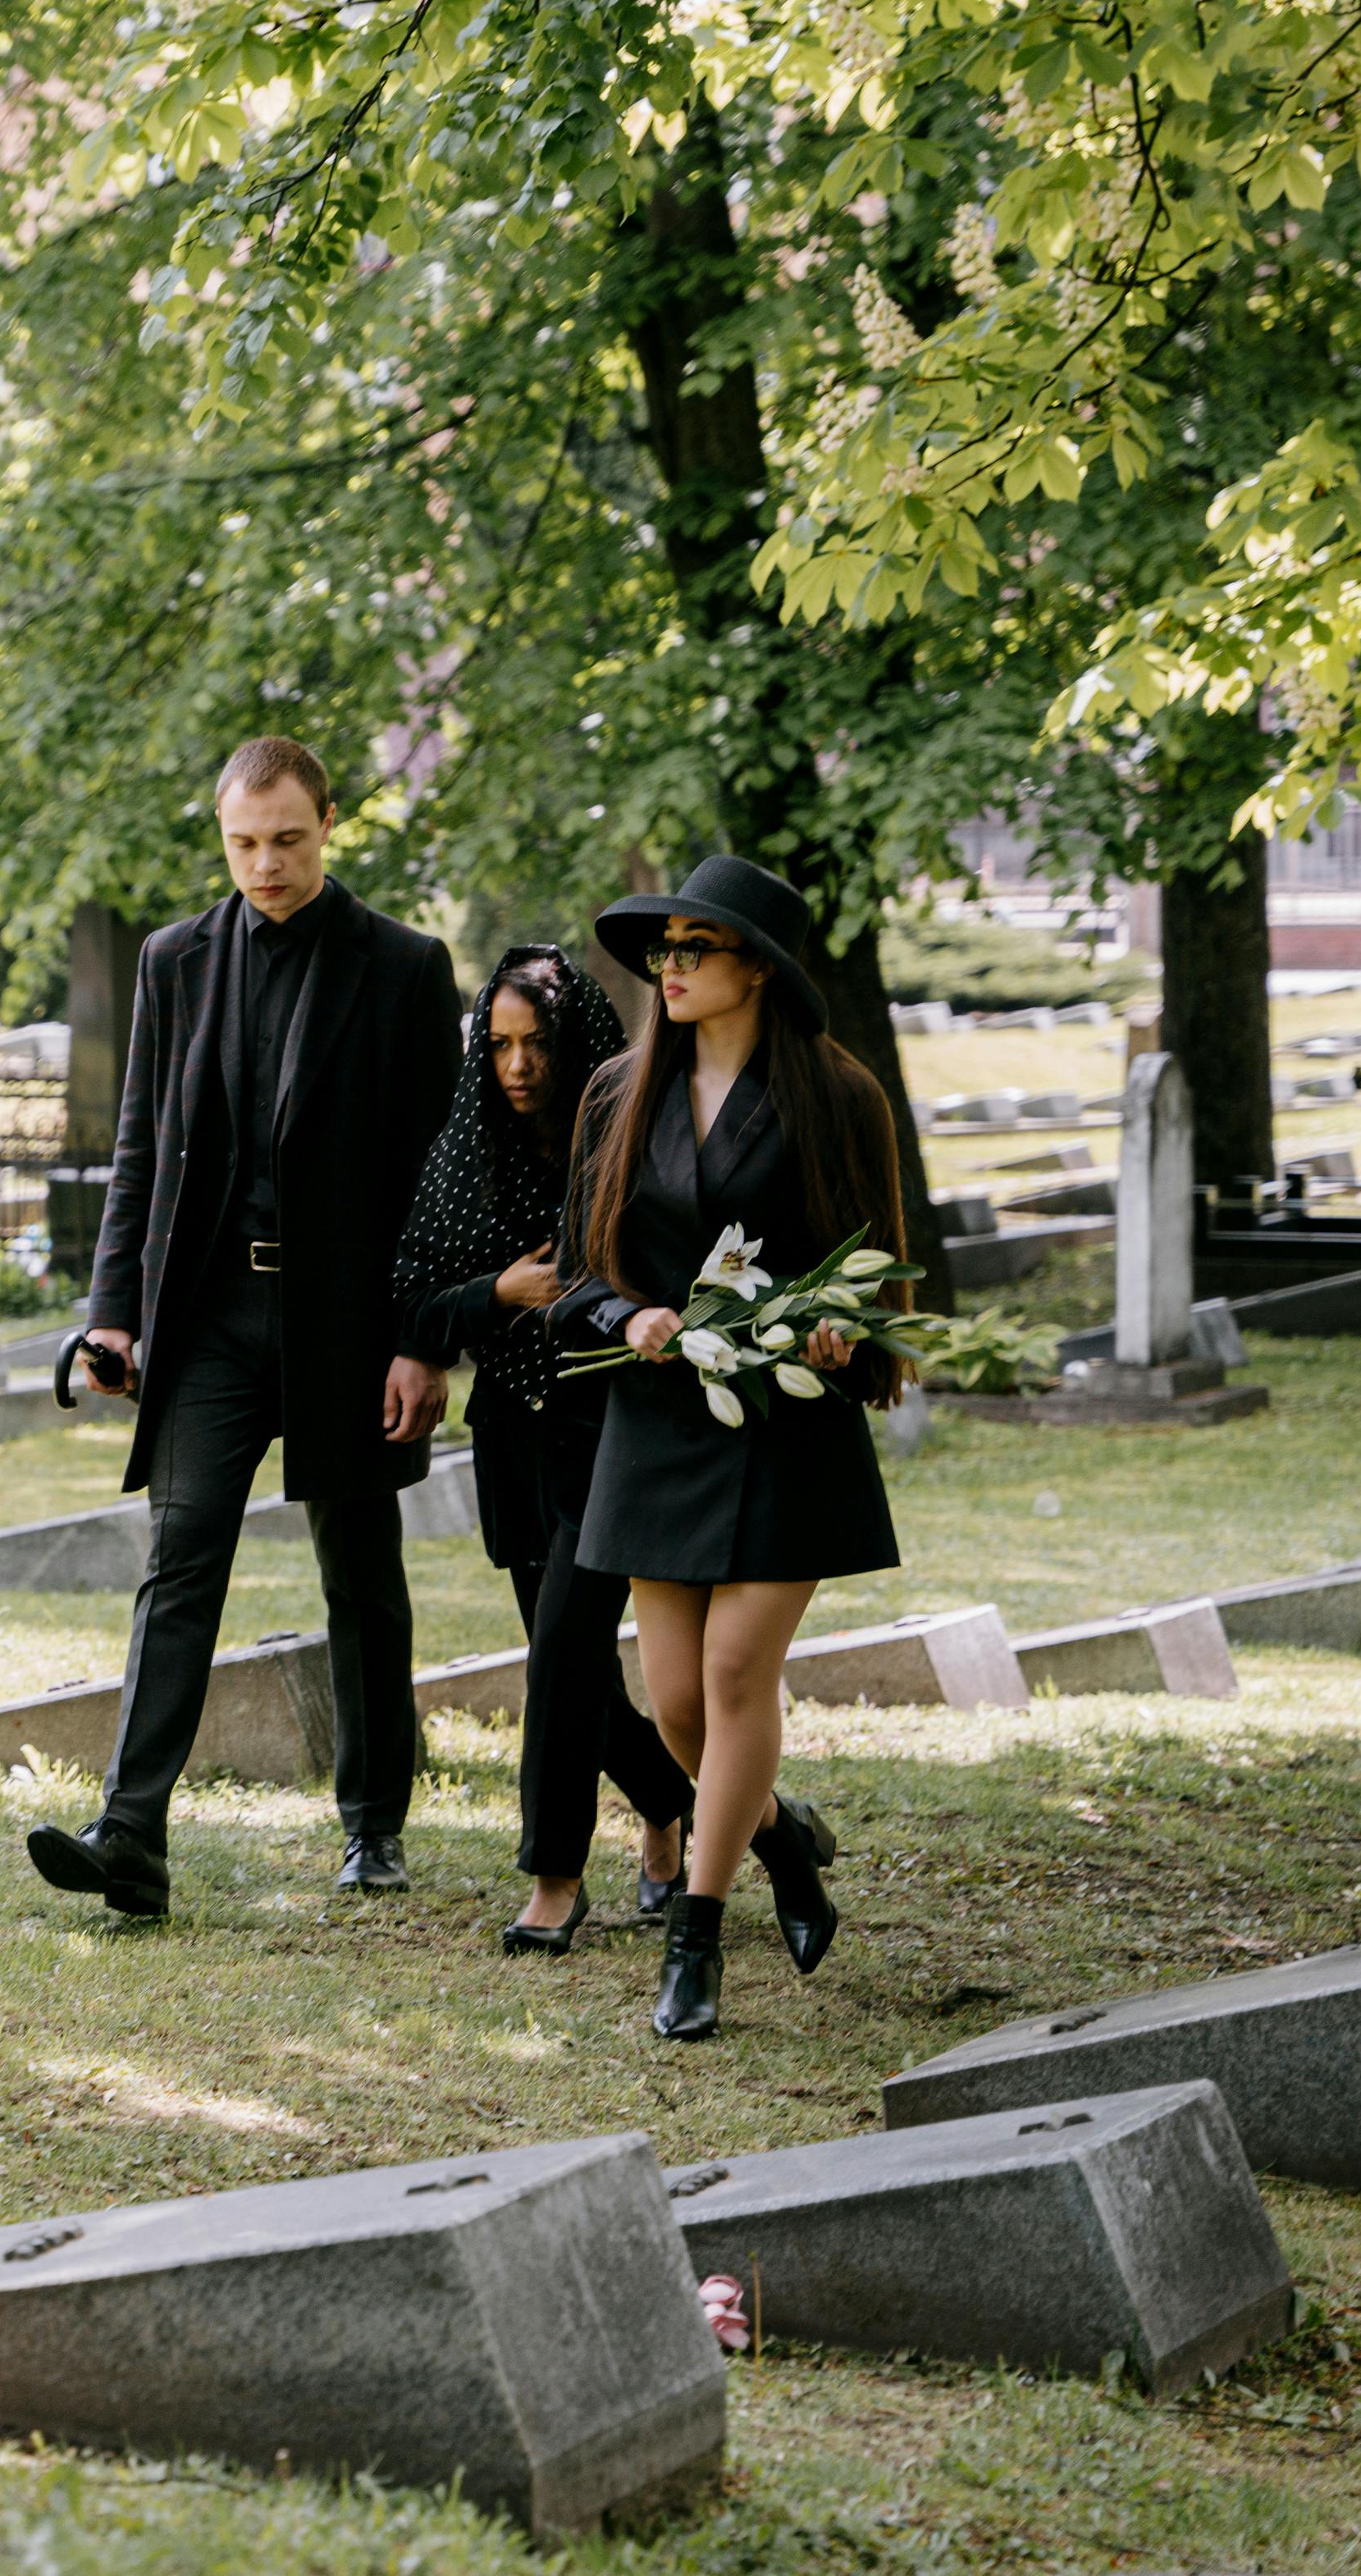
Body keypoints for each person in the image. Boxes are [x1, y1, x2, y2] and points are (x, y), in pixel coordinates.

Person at [25, 736, 461, 1920]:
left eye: (288, 840)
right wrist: (112, 1315)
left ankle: (375, 1825)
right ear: (221, 832)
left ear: (329, 826)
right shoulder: (174, 961)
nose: (264, 864)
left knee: (359, 1572)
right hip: (211, 1312)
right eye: (242, 842)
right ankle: (132, 1837)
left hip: (351, 1323)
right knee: (181, 1559)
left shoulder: (407, 968)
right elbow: (137, 1149)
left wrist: (423, 1339)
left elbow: (439, 1179)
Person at [564, 856, 911, 2042]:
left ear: (755, 963)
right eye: (659, 951)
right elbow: (577, 1276)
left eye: (691, 950)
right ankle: (783, 1843)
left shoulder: (836, 1094)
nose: (666, 969)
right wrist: (631, 1316)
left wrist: (838, 1326)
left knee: (732, 1678)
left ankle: (694, 1941)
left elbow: (877, 1265)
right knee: (674, 1707)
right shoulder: (619, 1090)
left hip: (786, 1424)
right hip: (662, 1420)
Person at [390, 944, 692, 1954]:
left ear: (580, 1047)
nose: (516, 1065)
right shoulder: (463, 1147)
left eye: (536, 1044)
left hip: (609, 1431)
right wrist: (497, 1294)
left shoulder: (631, 1142)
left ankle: (552, 1881)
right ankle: (673, 1806)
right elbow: (416, 1304)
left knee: (563, 1649)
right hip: (511, 1438)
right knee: (572, 1672)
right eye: (499, 1044)